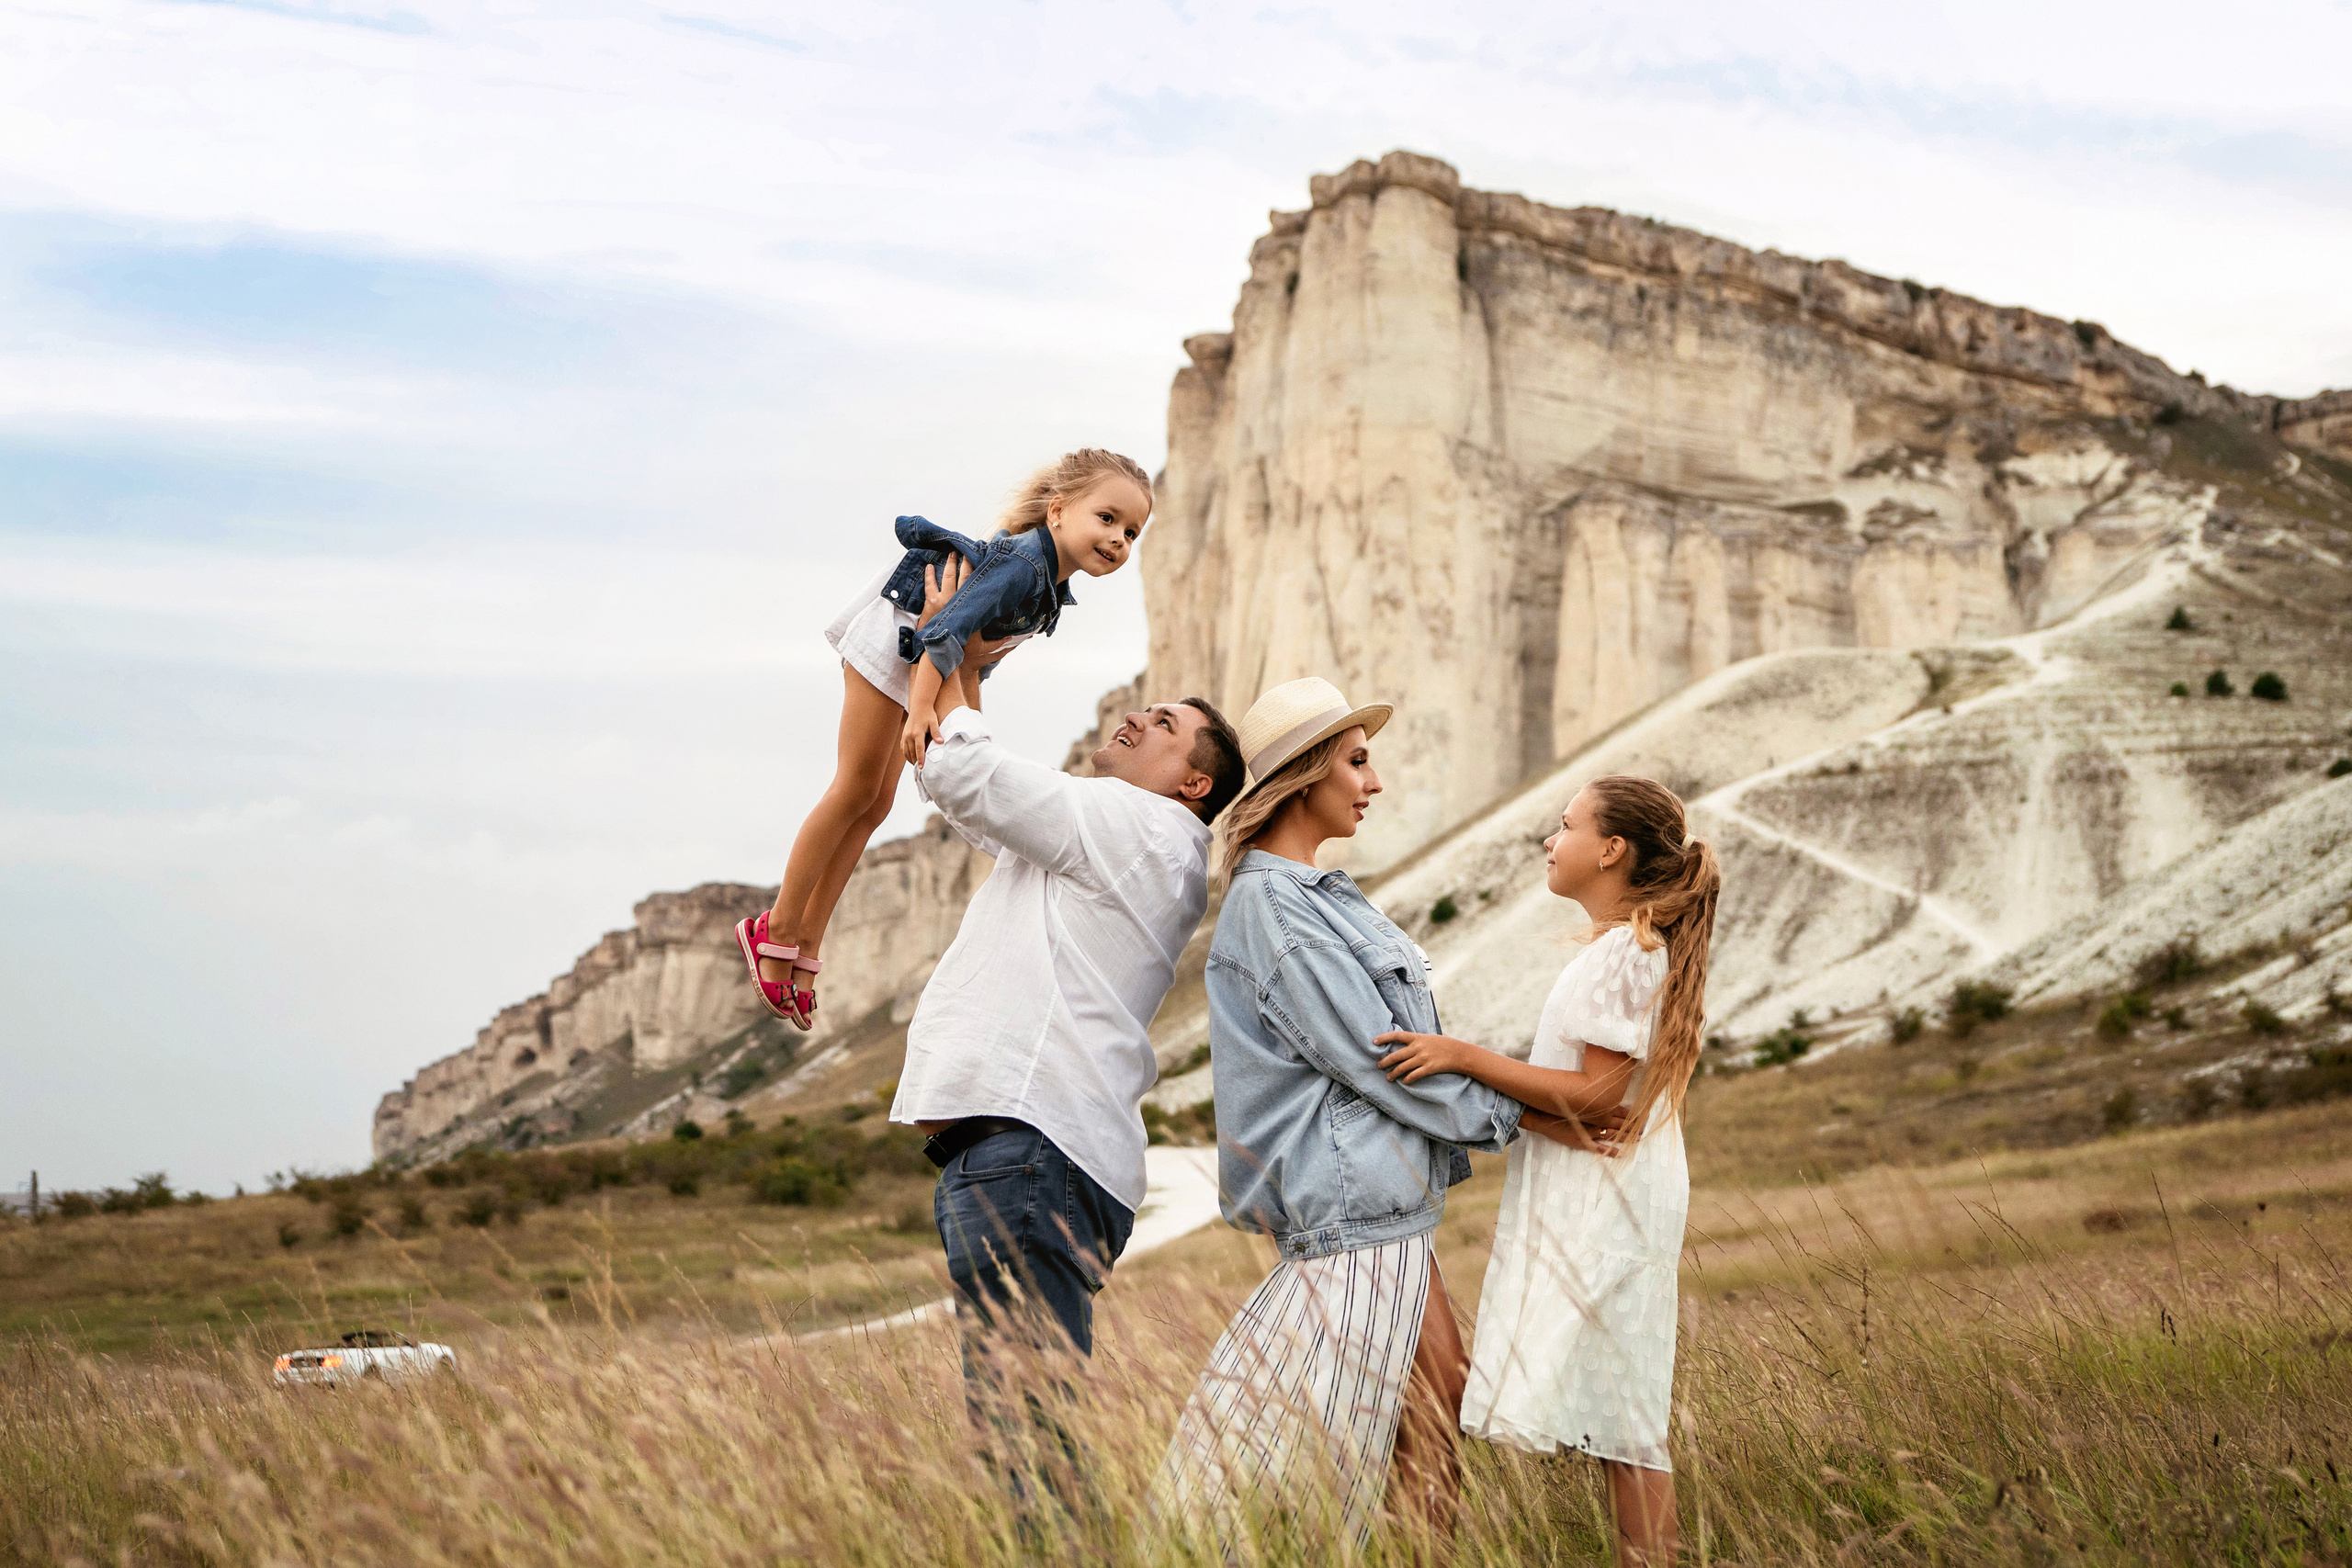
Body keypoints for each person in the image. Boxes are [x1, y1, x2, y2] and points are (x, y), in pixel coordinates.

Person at [1151, 677, 1622, 1553]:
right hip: (1350, 1207)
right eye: (1357, 761)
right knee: (1405, 1418)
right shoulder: (1275, 908)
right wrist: (1537, 1115)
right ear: (1303, 775)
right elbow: (1384, 1061)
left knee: (1420, 1412)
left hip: (1378, 1201)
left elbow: (1407, 1050)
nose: (1374, 782)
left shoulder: (1318, 894)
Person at [881, 570, 1247, 1491]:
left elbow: (965, 774)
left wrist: (944, 644)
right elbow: (980, 802)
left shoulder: (1139, 826)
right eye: (1145, 708)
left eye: (1164, 724)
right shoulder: (1131, 838)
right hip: (1037, 1152)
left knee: (1025, 1433)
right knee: (1024, 1417)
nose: (1137, 717)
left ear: (1194, 782)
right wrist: (963, 663)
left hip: (1030, 1149)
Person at [1374, 775, 1721, 1567]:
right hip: (1605, 1184)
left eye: (1566, 825)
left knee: (1626, 1416)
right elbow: (1587, 1095)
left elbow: (1596, 1093)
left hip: (1606, 1196)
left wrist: (1462, 1055)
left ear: (1611, 849)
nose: (1549, 840)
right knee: (1619, 1407)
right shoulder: (1622, 948)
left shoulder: (1627, 952)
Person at [734, 448, 1155, 1031]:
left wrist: (968, 735)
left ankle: (807, 940)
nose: (1118, 539)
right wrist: (921, 714)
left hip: (926, 658)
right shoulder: (1023, 566)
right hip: (902, 631)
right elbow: (942, 633)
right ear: (1057, 511)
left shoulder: (1049, 592)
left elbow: (974, 664)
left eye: (1131, 532)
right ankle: (776, 927)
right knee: (854, 787)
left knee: (875, 806)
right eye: (1106, 518)